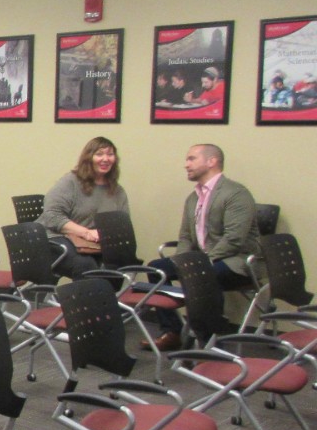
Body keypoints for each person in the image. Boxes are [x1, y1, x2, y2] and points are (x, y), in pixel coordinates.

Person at [144, 144, 260, 350]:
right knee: (156, 268)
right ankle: (171, 331)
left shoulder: (236, 193)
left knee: (203, 275)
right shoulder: (193, 198)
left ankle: (209, 343)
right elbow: (186, 237)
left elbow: (234, 239)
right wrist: (182, 261)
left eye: (191, 159)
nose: (185, 164)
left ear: (211, 161)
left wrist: (200, 263)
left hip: (236, 261)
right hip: (203, 260)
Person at [37, 137, 129, 280]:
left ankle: (103, 301)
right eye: (99, 154)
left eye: (110, 154)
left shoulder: (117, 191)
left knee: (115, 265)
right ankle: (86, 302)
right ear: (88, 158)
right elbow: (52, 215)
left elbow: (121, 226)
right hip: (55, 239)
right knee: (86, 265)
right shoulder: (70, 182)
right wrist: (86, 233)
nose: (105, 159)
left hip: (92, 244)